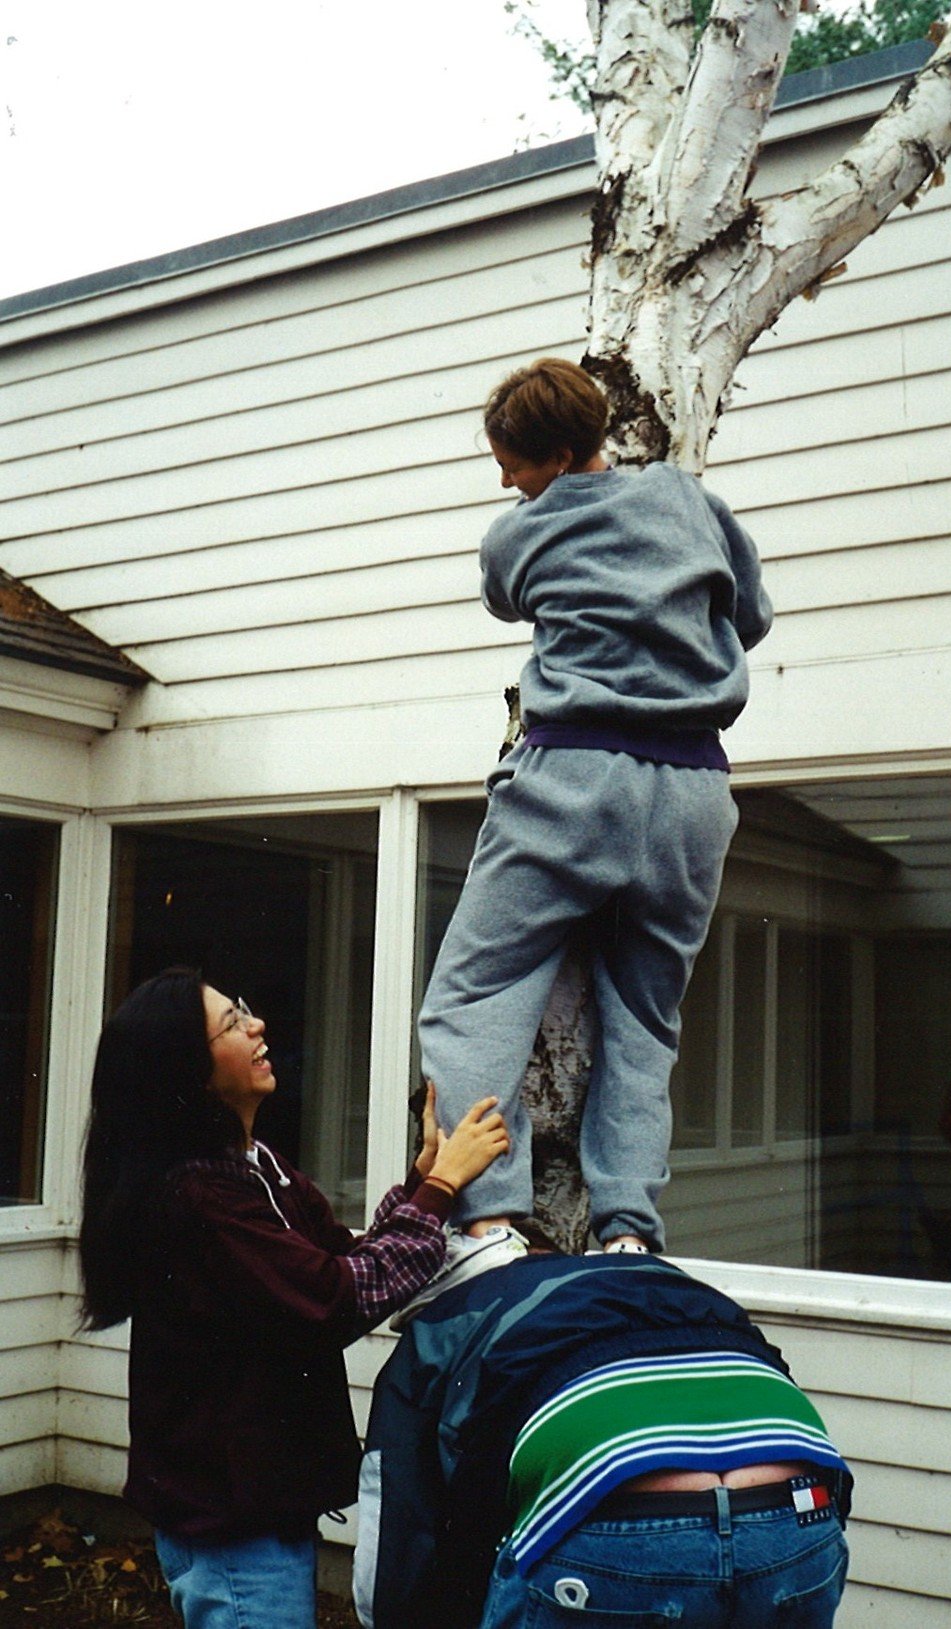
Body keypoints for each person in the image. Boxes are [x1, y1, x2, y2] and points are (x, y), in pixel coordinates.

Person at [417, 357, 772, 1261]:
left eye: (515, 464)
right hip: (692, 793)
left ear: (563, 453)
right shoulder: (692, 502)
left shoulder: (519, 534)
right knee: (643, 1017)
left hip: (574, 783)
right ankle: (626, 1228)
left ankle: (488, 1218)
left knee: (473, 995)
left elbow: (503, 596)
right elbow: (752, 614)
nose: (505, 481)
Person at [78, 967, 509, 1629]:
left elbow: (341, 1260)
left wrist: (423, 1181)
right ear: (188, 1071)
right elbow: (336, 1297)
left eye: (243, 1008)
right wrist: (441, 1191)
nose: (257, 1026)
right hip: (231, 1526)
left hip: (258, 1508)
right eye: (231, 1023)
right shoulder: (199, 1197)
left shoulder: (257, 1168)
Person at [354, 1249, 852, 1629]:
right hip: (799, 1510)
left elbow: (399, 1525)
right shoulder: (668, 1284)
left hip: (620, 1521)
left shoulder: (442, 1324)